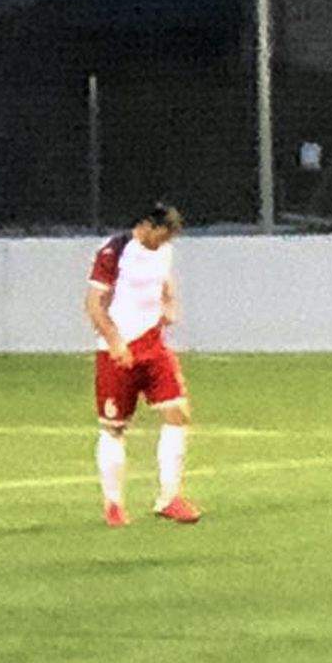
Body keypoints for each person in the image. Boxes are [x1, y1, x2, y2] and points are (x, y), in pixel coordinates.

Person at [85, 203, 202, 527]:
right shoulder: (114, 251)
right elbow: (94, 304)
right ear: (146, 226)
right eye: (161, 236)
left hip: (153, 345)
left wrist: (168, 304)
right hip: (118, 352)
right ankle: (113, 504)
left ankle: (169, 498)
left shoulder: (163, 251)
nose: (163, 244)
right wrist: (114, 341)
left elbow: (164, 282)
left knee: (178, 413)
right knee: (114, 428)